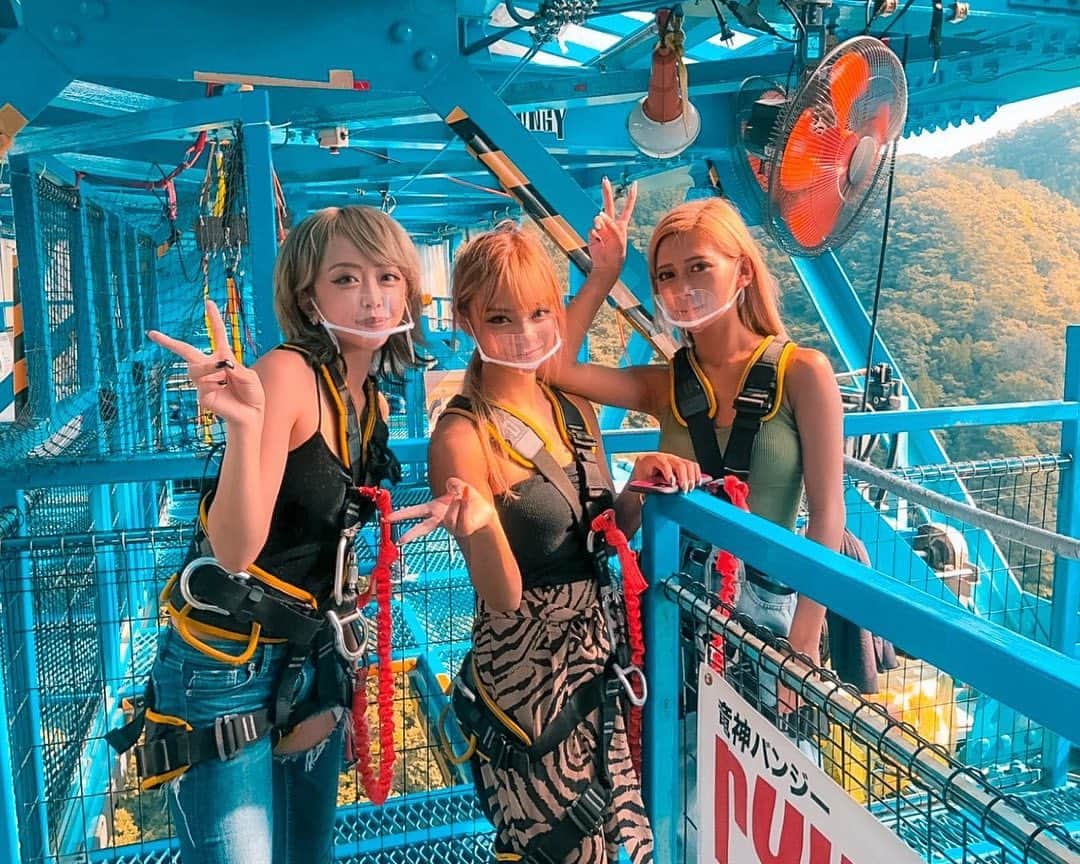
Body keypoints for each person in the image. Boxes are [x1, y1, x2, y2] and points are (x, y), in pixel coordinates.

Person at [111, 206, 425, 864]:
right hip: (227, 663)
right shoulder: (288, 375)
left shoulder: (370, 400)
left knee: (307, 851)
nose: (372, 297)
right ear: (309, 299)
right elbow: (235, 551)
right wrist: (244, 427)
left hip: (313, 654)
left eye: (388, 277)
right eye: (346, 279)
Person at [393, 219, 696, 863]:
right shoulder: (462, 436)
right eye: (501, 318)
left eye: (539, 312)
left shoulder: (572, 409)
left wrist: (638, 486)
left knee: (619, 837)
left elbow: (599, 535)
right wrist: (479, 524)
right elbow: (502, 596)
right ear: (468, 321)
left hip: (599, 654)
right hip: (528, 679)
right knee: (559, 846)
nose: (527, 333)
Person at [556, 188, 846, 688]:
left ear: (743, 271)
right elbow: (555, 367)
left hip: (766, 611)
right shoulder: (669, 383)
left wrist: (802, 647)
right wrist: (604, 272)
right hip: (674, 598)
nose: (682, 288)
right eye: (666, 275)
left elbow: (828, 514)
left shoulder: (802, 372)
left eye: (699, 268)